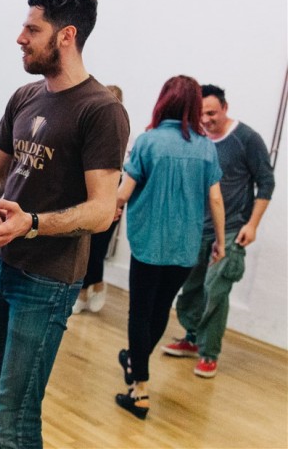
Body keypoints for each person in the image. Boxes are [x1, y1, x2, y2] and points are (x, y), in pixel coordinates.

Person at [0, 0, 130, 448]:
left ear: (66, 35)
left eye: (32, 29)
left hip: (47, 280)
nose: (20, 37)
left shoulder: (101, 111)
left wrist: (31, 224)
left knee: (14, 417)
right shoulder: (25, 96)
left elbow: (101, 211)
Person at [114, 75, 225, 420]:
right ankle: (135, 362)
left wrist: (104, 214)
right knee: (161, 308)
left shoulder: (148, 142)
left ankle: (140, 390)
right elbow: (216, 199)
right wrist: (220, 242)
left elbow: (123, 193)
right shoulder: (206, 147)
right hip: (185, 247)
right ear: (194, 106)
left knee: (139, 312)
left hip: (148, 243)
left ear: (164, 101)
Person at [161, 84, 274, 378]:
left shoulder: (247, 139)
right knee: (192, 287)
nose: (206, 119)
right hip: (196, 228)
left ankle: (209, 352)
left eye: (211, 113)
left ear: (225, 107)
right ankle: (191, 338)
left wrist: (252, 225)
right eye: (201, 114)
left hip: (233, 228)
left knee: (215, 289)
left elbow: (266, 182)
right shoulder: (197, 138)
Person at [73, 84, 125, 314]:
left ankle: (94, 286)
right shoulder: (88, 131)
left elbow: (121, 176)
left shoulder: (121, 135)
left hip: (112, 200)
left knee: (97, 250)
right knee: (86, 247)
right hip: (87, 198)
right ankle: (87, 289)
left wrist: (115, 203)